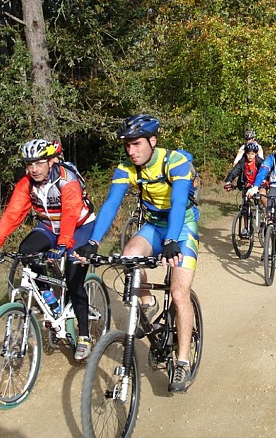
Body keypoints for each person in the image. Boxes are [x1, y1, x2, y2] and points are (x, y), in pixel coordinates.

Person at [73, 114, 199, 393]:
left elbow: (179, 203)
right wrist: (93, 242)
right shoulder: (126, 168)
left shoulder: (175, 162)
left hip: (182, 227)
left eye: (136, 144)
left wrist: (171, 241)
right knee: (129, 255)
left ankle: (182, 360)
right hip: (154, 226)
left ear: (152, 141)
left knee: (179, 293)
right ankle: (147, 301)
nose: (131, 151)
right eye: (127, 145)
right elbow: (110, 205)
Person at [0, 139, 97, 361]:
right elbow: (13, 214)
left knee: (74, 279)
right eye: (29, 164)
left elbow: (71, 212)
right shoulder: (27, 184)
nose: (33, 169)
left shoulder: (67, 180)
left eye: (38, 163)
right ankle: (47, 294)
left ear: (50, 162)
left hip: (79, 227)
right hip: (49, 226)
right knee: (26, 251)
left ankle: (84, 335)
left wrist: (63, 244)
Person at [224, 142, 268, 237]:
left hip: (259, 184)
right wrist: (228, 181)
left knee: (262, 196)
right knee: (245, 205)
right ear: (245, 153)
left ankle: (269, 215)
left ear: (256, 154)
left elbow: (266, 171)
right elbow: (234, 171)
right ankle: (246, 228)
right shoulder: (242, 162)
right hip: (247, 185)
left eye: (252, 154)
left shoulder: (260, 162)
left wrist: (264, 180)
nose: (250, 156)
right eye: (248, 153)